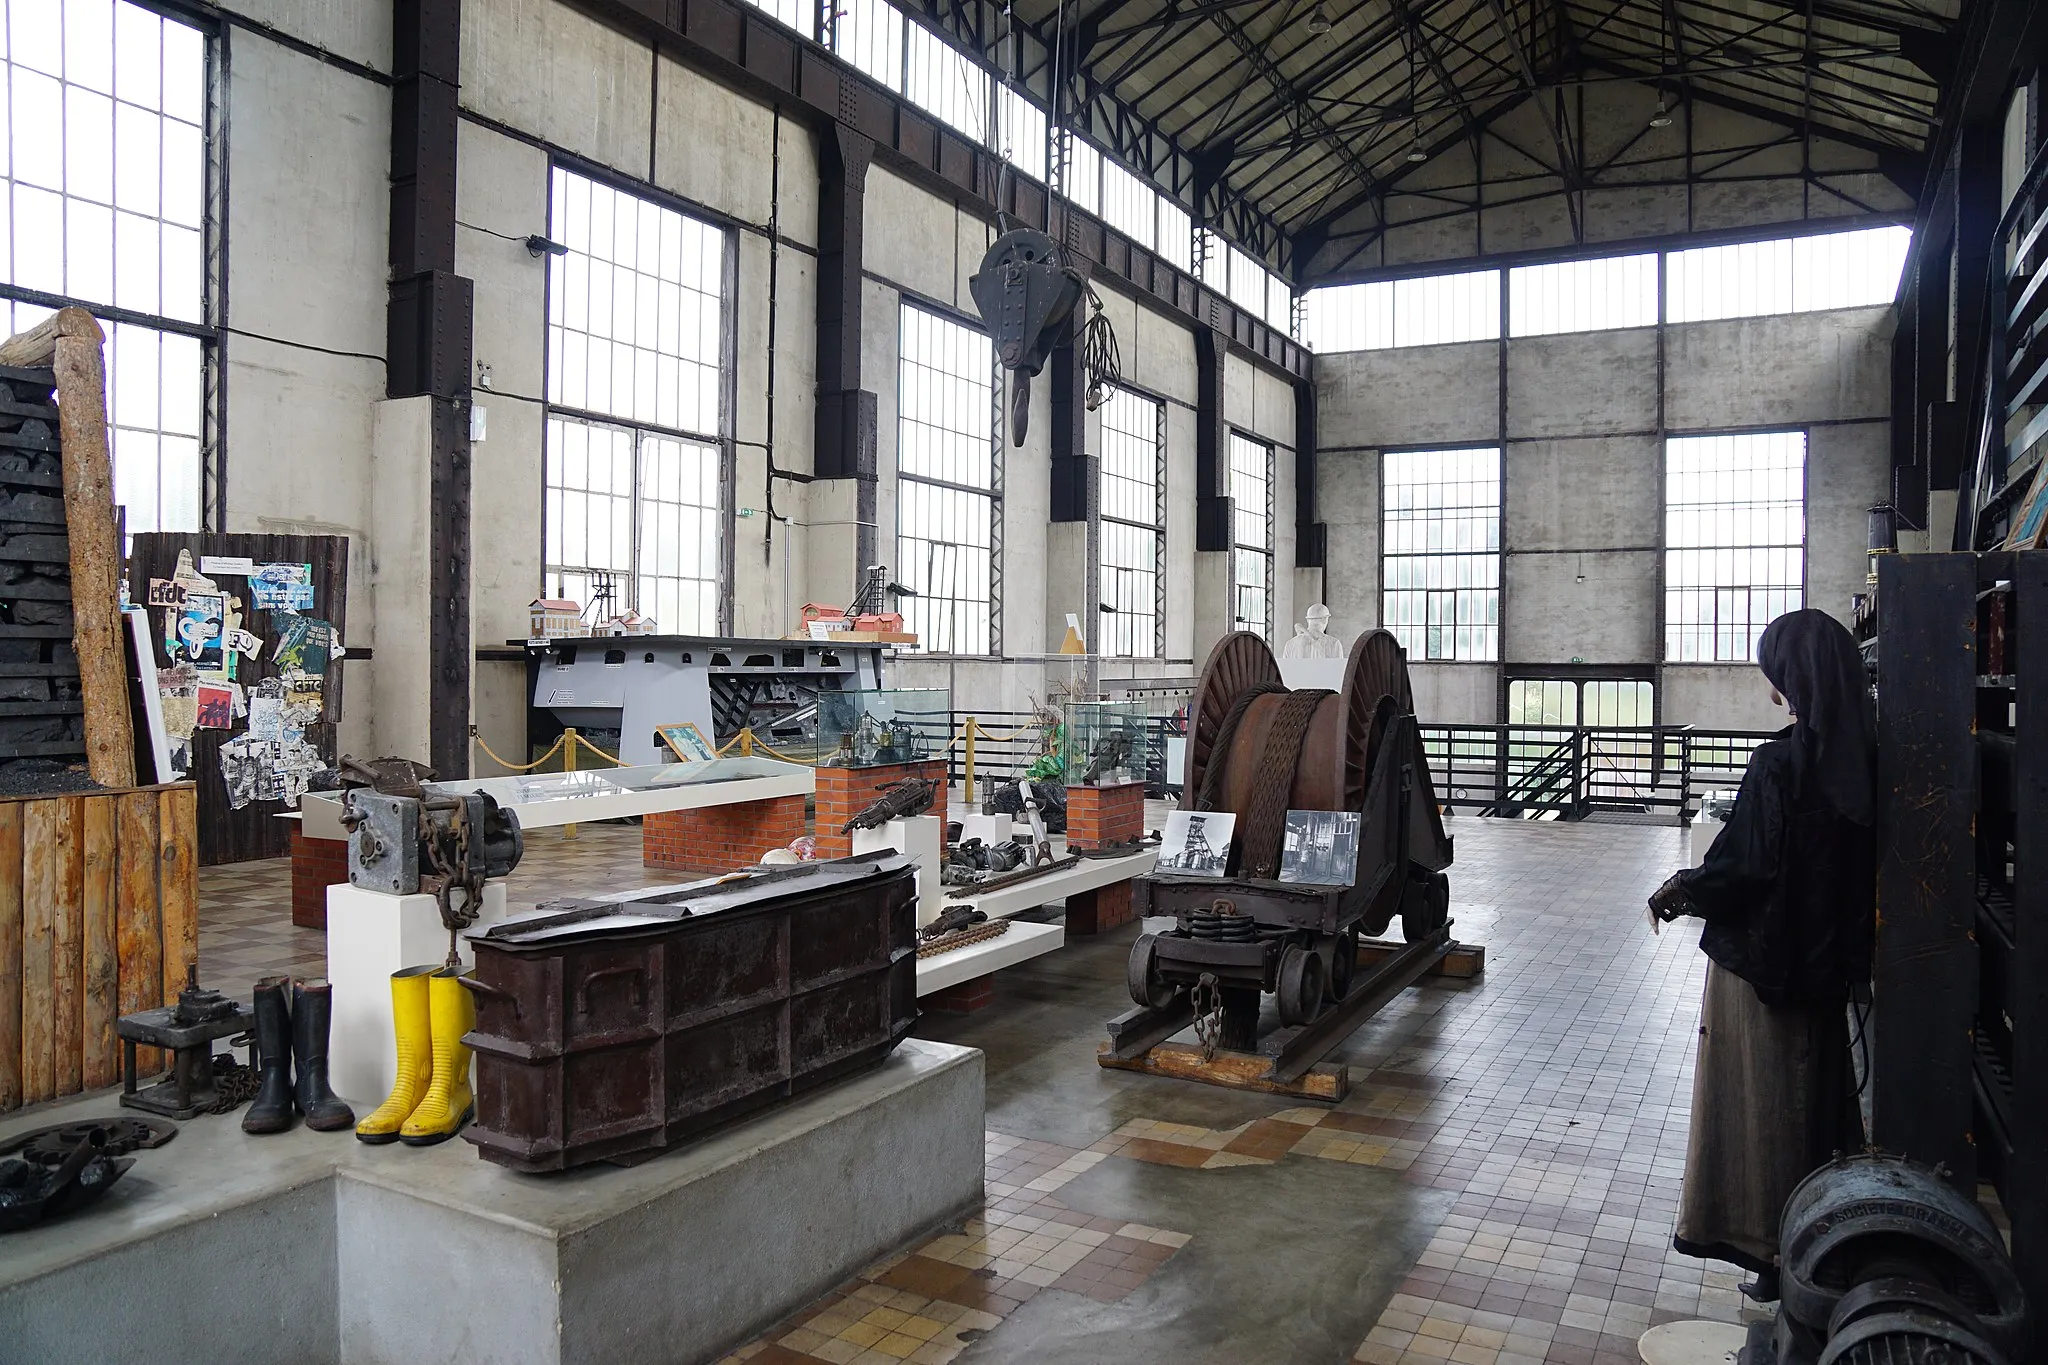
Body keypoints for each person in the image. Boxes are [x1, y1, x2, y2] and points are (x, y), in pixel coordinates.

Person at [1645, 609, 1875, 1301]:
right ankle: (1822, 1244)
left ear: (1790, 678)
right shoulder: (1870, 757)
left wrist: (1678, 889)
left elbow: (1746, 867)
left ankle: (1771, 1249)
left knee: (1758, 1109)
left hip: (1761, 968)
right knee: (1815, 1105)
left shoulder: (1780, 762)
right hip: (1828, 969)